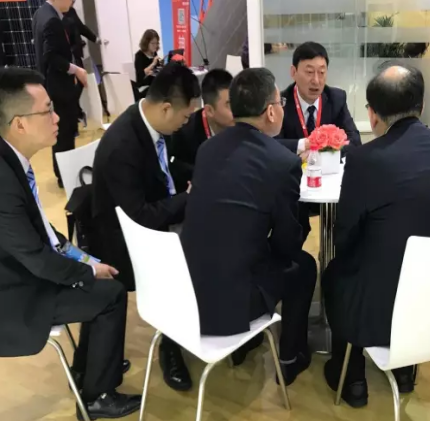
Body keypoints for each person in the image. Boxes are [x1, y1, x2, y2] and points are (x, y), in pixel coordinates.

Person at [323, 64, 430, 408]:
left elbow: (345, 237)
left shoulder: (365, 160)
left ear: (372, 115)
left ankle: (352, 379)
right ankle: (404, 372)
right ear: (422, 106)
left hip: (382, 308)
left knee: (334, 274)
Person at [0, 67, 141, 419]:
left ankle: (89, 371)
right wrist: (86, 272)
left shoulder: (12, 162)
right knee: (110, 294)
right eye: (47, 110)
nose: (58, 117)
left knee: (100, 280)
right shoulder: (3, 181)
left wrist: (86, 262)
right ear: (19, 124)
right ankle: (97, 396)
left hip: (24, 269)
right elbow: (36, 257)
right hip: (14, 292)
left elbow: (43, 232)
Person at [181, 68, 317, 385]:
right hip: (230, 306)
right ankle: (290, 357)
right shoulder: (281, 162)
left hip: (185, 293)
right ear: (270, 111)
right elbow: (286, 243)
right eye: (281, 102)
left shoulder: (208, 149)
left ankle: (247, 345)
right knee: (304, 266)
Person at [92, 62, 201, 392]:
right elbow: (139, 216)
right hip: (124, 240)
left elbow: (165, 167)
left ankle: (194, 326)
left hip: (154, 218)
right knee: (193, 258)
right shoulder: (123, 145)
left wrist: (198, 175)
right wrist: (187, 198)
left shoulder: (150, 123)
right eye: (185, 117)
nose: (185, 124)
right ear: (166, 108)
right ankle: (171, 347)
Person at [277, 41, 361, 241]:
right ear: (293, 72)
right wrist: (302, 145)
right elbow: (272, 145)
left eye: (322, 72)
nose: (316, 80)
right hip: (294, 183)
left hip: (330, 181)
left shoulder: (336, 98)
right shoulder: (280, 103)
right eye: (309, 72)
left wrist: (319, 153)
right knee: (293, 228)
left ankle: (335, 252)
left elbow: (354, 141)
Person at [32, 0, 88, 188]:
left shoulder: (41, 13)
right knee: (65, 132)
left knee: (60, 132)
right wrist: (76, 70)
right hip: (60, 88)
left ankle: (62, 172)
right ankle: (67, 175)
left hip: (51, 85)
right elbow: (51, 56)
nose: (72, 1)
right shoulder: (52, 20)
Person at [168, 68, 234, 192]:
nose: (237, 110)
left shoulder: (242, 126)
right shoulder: (183, 133)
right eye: (229, 105)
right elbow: (176, 169)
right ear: (209, 110)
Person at [63, 0, 100, 124]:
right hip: (67, 54)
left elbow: (81, 27)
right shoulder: (57, 14)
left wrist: (94, 38)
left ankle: (76, 111)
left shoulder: (71, 11)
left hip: (76, 53)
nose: (73, 2)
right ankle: (75, 112)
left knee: (80, 82)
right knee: (71, 84)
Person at [134, 29, 162, 98]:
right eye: (153, 43)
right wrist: (153, 64)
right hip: (144, 86)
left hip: (154, 84)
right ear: (146, 43)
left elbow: (156, 69)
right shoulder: (139, 55)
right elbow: (140, 75)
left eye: (157, 43)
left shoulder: (154, 53)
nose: (155, 45)